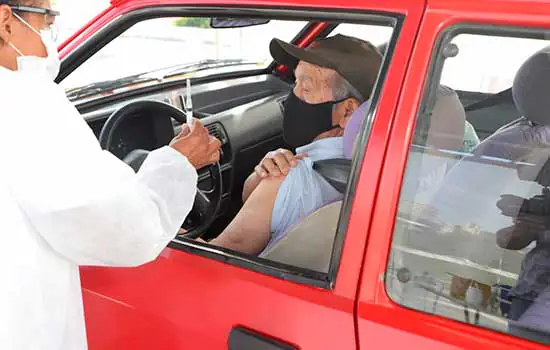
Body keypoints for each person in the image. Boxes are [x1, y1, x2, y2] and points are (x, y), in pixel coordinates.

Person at [0, 1, 221, 349]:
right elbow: (121, 224)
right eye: (47, 17)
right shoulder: (27, 103)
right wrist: (177, 163)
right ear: (5, 21)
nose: (50, 33)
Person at [207, 34, 382, 255]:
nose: (293, 95)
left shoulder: (290, 179)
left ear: (347, 111)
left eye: (306, 88)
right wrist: (262, 174)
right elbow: (250, 197)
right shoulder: (374, 174)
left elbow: (216, 258)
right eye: (295, 82)